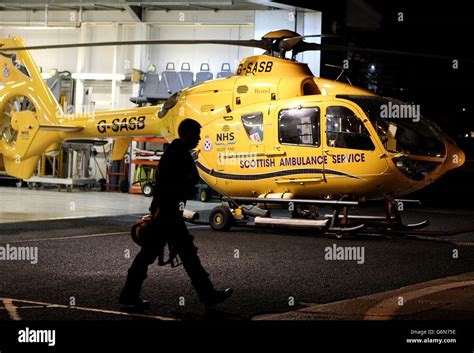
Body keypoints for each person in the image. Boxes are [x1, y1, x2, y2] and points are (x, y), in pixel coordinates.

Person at [119, 119, 233, 310]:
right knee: (183, 256)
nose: (198, 138)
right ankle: (208, 296)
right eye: (196, 134)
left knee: (155, 256)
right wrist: (168, 214)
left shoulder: (176, 153)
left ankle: (129, 295)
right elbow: (171, 188)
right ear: (187, 134)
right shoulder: (177, 155)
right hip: (167, 215)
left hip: (168, 213)